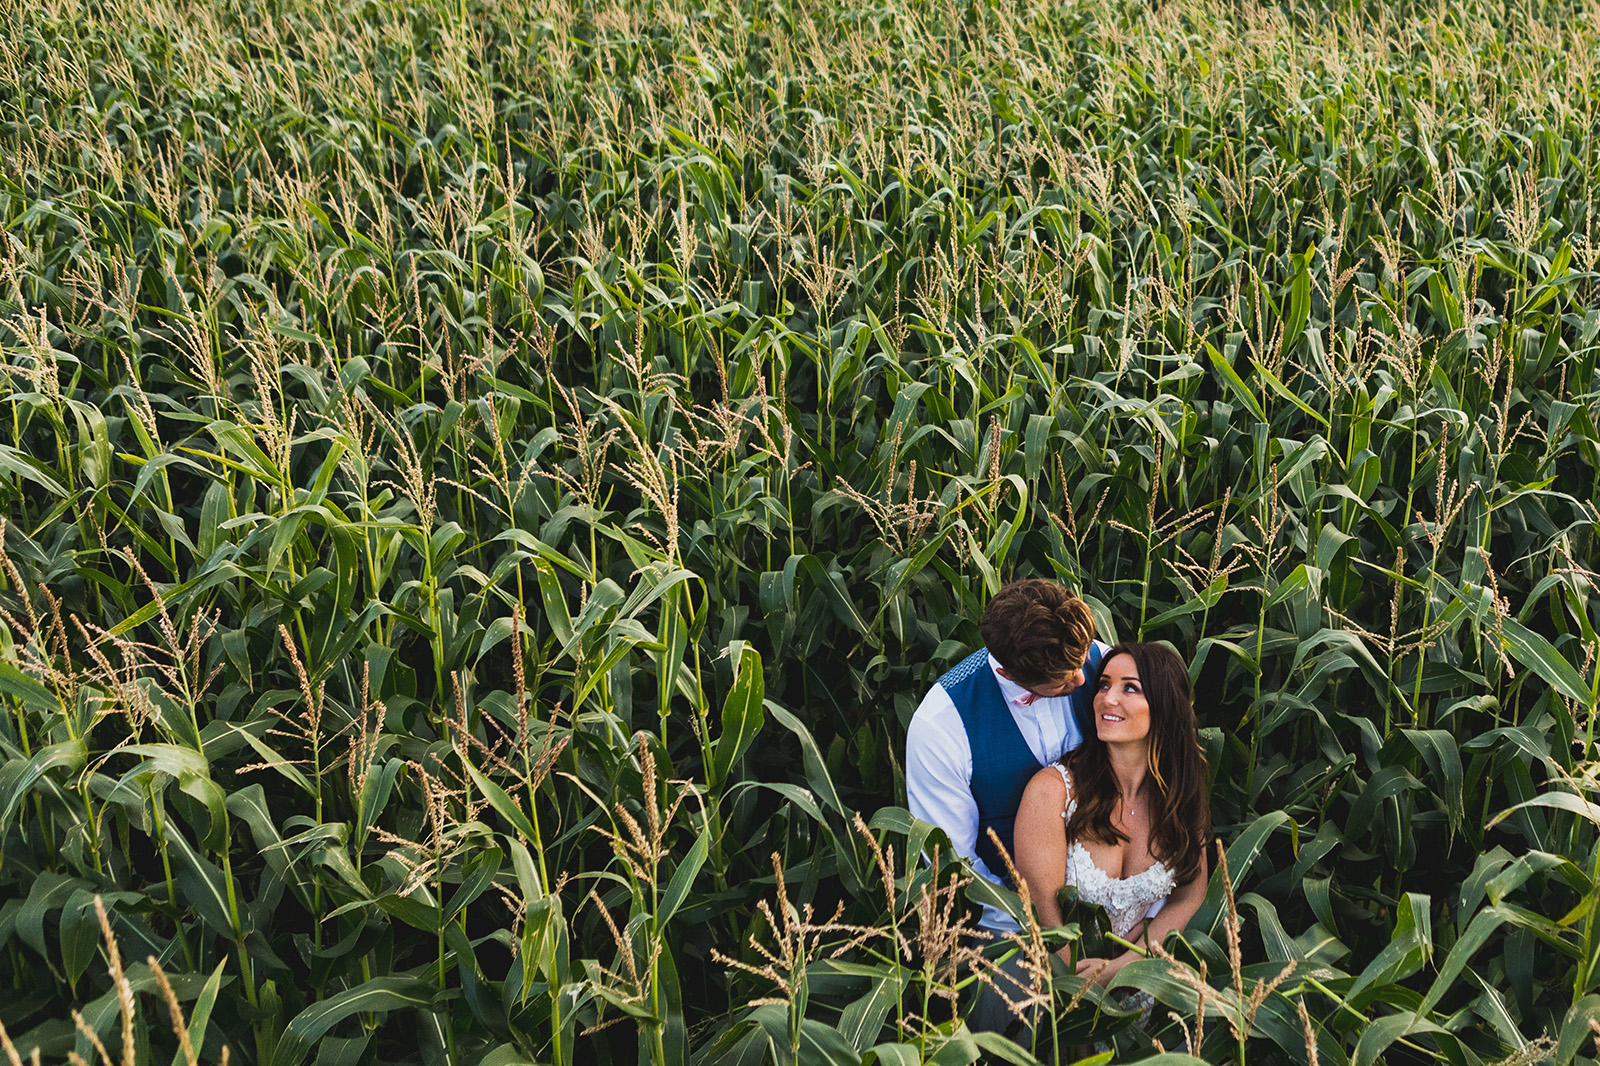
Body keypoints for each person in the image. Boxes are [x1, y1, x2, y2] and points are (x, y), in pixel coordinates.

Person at [905, 579, 1111, 934]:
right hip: (1011, 918)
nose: (1082, 679)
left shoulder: (1097, 661)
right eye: (1063, 680)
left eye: (1082, 660)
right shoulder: (940, 727)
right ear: (1007, 672)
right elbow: (957, 866)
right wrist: (1034, 929)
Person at [1012, 641, 1212, 996]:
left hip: (1144, 985)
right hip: (1056, 989)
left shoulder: (1180, 799)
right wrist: (1083, 987)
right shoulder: (1053, 792)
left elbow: (1190, 897)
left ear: (1165, 706)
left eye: (1129, 688)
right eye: (1103, 684)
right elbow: (1041, 914)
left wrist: (1129, 966)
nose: (1107, 699)